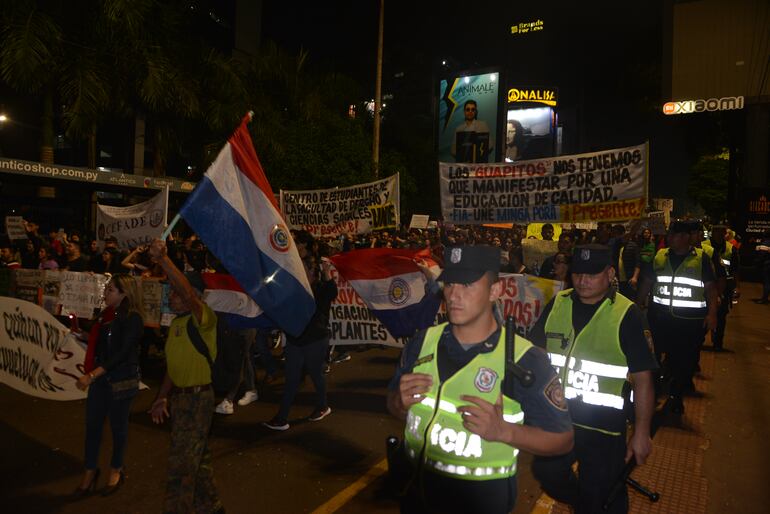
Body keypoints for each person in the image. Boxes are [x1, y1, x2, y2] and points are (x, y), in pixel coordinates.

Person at [386, 245, 573, 514]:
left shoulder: (524, 359)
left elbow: (562, 439)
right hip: (416, 495)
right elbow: (393, 403)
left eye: (468, 285)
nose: (454, 295)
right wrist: (398, 403)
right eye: (449, 284)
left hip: (480, 503)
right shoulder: (422, 342)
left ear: (494, 291)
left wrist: (504, 432)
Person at [528, 244, 657, 514]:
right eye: (577, 273)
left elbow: (643, 378)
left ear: (610, 273)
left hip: (604, 430)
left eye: (592, 274)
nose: (582, 280)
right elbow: (537, 355)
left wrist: (642, 432)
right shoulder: (559, 303)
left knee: (602, 493)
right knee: (547, 472)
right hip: (558, 420)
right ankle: (586, 502)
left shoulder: (626, 314)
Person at [146, 239, 224, 514]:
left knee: (182, 466)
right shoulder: (177, 325)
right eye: (171, 294)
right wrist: (162, 398)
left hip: (199, 399)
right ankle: (210, 506)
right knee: (197, 458)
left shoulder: (204, 318)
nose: (171, 297)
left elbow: (188, 295)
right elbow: (172, 366)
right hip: (180, 400)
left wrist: (163, 260)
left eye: (175, 294)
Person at [71, 274, 145, 499]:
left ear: (125, 293)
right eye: (107, 288)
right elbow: (105, 348)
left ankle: (116, 470)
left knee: (118, 428)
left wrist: (92, 374)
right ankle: (90, 471)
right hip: (101, 379)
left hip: (120, 379)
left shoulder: (132, 318)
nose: (105, 292)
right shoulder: (106, 315)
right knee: (92, 427)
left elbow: (122, 353)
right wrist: (83, 335)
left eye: (111, 289)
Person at [636, 220, 718, 414]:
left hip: (688, 323)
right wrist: (637, 306)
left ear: (685, 237)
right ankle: (653, 392)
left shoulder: (701, 259)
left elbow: (711, 289)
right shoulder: (660, 256)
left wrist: (712, 313)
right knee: (653, 357)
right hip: (660, 319)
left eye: (673, 235)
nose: (669, 238)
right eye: (669, 234)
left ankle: (675, 396)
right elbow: (647, 282)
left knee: (683, 361)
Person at [263, 252, 337, 430]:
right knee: (291, 379)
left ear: (312, 271)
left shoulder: (320, 288)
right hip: (295, 341)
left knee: (315, 373)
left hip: (315, 340)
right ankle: (281, 418)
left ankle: (322, 406)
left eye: (303, 268)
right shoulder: (291, 289)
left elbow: (331, 291)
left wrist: (327, 274)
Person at [701, 225, 740, 350]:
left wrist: (737, 287)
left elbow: (735, 270)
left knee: (721, 314)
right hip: (705, 286)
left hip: (724, 286)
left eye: (720, 232)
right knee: (703, 314)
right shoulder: (703, 245)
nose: (718, 234)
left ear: (724, 234)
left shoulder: (730, 249)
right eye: (715, 231)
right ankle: (698, 340)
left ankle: (718, 343)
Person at [752, 230, 770, 304]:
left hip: (767, 265)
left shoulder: (765, 243)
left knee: (767, 282)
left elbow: (761, 256)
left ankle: (765, 299)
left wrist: (757, 262)